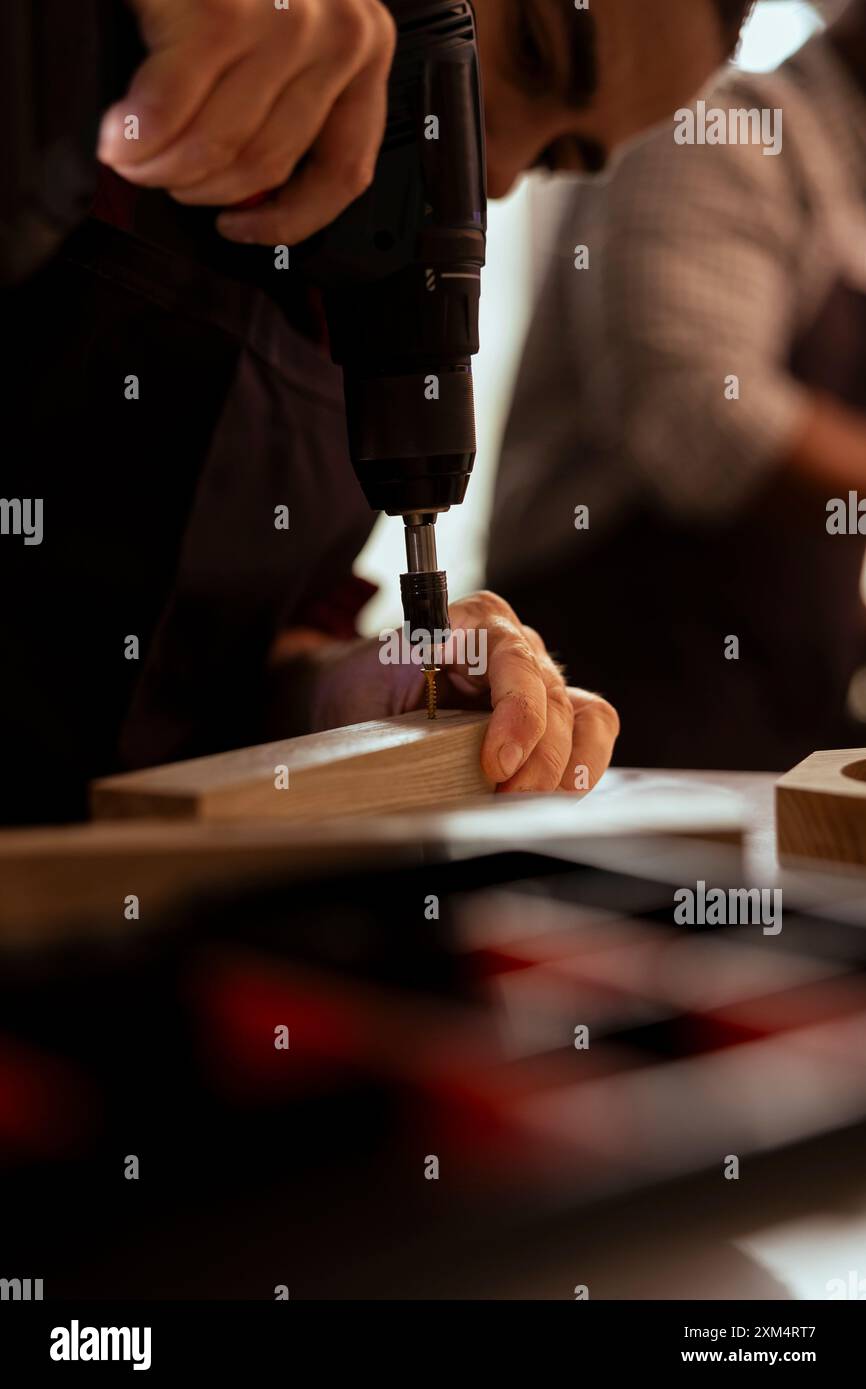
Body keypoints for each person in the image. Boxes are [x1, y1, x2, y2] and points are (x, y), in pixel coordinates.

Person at [1, 0, 750, 824]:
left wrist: (354, 693)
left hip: (92, 904)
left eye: (557, 156)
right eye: (531, 51)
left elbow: (221, 662)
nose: (498, 176)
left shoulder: (353, 301)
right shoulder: (79, 65)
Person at [488, 1, 866, 771]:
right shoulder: (728, 131)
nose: (495, 178)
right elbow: (702, 417)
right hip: (618, 692)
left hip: (775, 704)